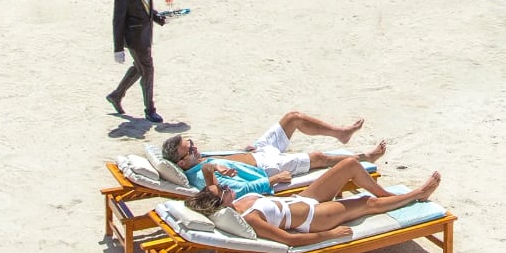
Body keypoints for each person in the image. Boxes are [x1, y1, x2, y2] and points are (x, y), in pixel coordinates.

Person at [186, 157, 441, 245]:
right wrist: (329, 235)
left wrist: (215, 166)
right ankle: (418, 194)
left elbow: (208, 173)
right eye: (223, 190)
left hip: (302, 199)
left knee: (349, 165)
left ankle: (390, 196)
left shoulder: (233, 200)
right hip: (314, 219)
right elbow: (288, 239)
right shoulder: (249, 217)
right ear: (220, 203)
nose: (226, 186)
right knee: (365, 203)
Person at [163, 112, 388, 197]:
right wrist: (273, 180)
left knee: (293, 118)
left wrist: (241, 152)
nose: (194, 146)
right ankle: (366, 158)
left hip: (257, 150)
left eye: (190, 142)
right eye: (189, 149)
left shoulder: (198, 159)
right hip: (266, 167)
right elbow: (237, 190)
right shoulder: (201, 176)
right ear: (182, 162)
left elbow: (226, 160)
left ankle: (341, 133)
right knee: (318, 157)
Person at [108, 0, 166, 123]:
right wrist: (118, 49)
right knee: (148, 71)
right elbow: (117, 22)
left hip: (146, 38)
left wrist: (158, 17)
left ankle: (116, 95)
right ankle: (150, 110)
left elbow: (147, 9)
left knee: (140, 69)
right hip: (134, 41)